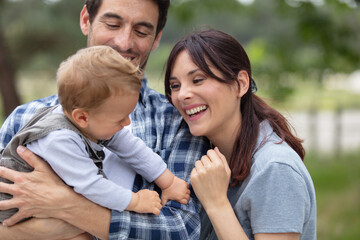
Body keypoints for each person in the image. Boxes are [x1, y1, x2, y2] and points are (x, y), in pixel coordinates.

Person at [0, 0, 209, 239]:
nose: (124, 43)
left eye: (141, 32)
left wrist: (67, 205)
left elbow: (182, 229)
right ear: (86, 20)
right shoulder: (29, 121)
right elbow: (89, 184)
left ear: (156, 38)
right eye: (112, 24)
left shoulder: (175, 122)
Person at [0, 45, 191, 225]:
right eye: (120, 119)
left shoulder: (93, 119)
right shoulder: (58, 139)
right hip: (13, 211)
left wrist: (168, 181)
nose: (127, 123)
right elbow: (93, 186)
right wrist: (136, 201)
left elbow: (131, 146)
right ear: (82, 117)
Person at [163, 29, 317, 240]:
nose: (182, 95)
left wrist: (217, 204)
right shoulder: (204, 157)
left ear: (241, 84)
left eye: (197, 80)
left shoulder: (275, 168)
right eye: (175, 86)